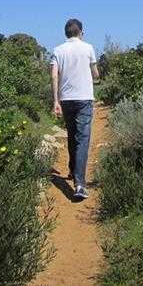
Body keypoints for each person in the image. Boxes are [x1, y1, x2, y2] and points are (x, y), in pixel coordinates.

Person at [50, 18, 99, 200]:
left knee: (72, 135)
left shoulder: (57, 50)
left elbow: (54, 76)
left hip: (66, 100)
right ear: (81, 32)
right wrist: (95, 75)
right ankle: (79, 184)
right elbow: (95, 73)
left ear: (66, 33)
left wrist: (56, 101)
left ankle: (72, 170)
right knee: (82, 139)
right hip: (84, 98)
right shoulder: (88, 48)